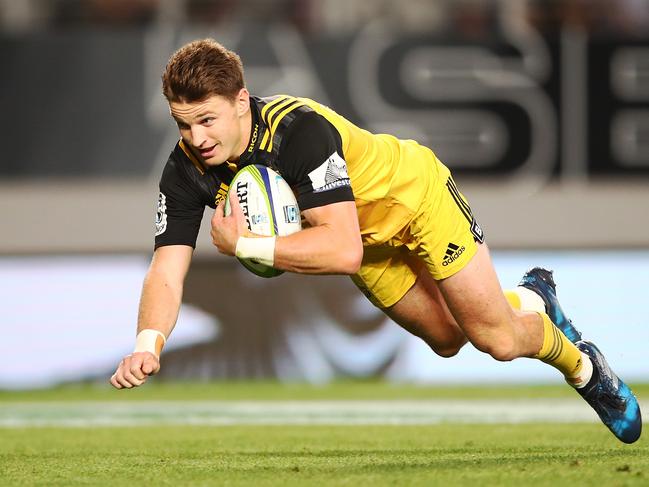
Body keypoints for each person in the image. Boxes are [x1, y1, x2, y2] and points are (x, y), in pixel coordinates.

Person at [110, 38, 641, 444]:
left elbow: (342, 251)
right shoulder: (185, 170)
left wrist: (246, 246)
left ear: (241, 101)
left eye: (207, 119)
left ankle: (585, 367)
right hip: (366, 243)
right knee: (446, 339)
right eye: (184, 125)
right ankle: (533, 300)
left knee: (496, 340)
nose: (197, 139)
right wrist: (147, 344)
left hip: (415, 200)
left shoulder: (298, 131)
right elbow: (166, 269)